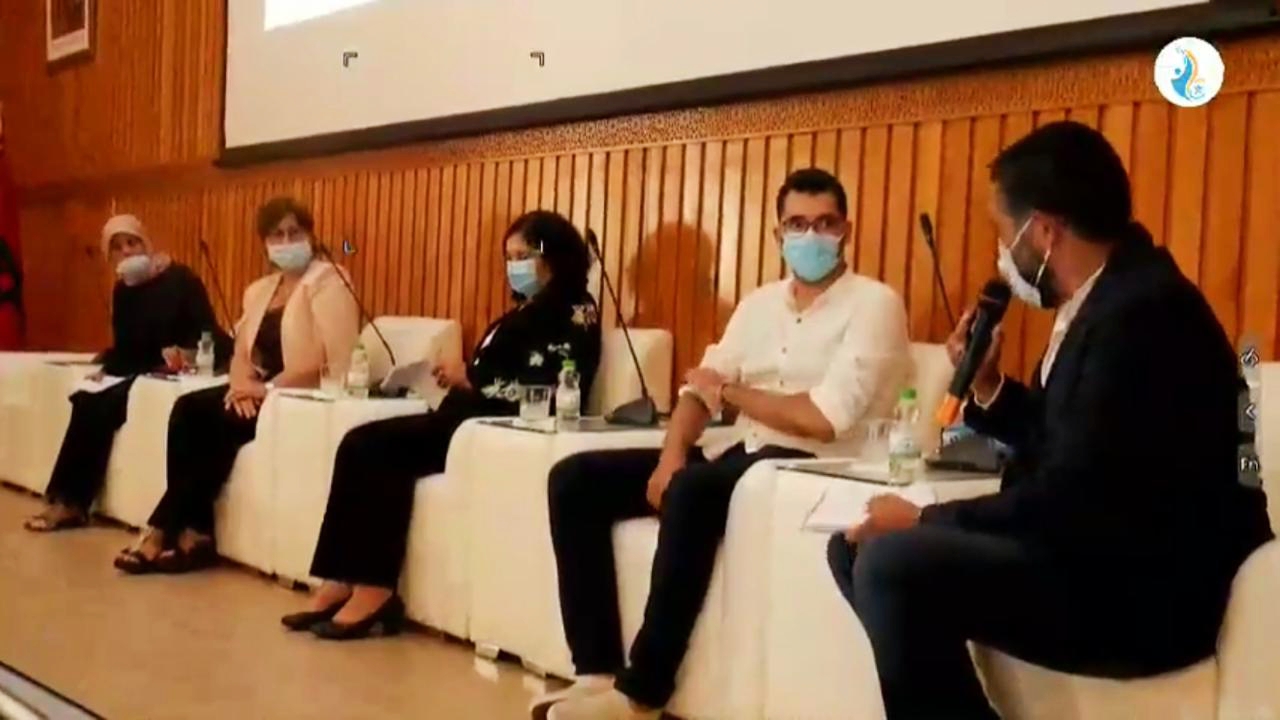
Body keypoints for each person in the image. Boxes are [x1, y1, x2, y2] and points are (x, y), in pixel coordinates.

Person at [826, 121, 1275, 720]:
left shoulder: (1144, 313)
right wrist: (989, 385)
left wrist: (923, 518)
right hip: (1088, 552)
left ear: (1042, 231)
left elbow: (1072, 496)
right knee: (853, 548)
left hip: (1146, 592)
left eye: (1003, 233)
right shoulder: (1103, 298)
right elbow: (1069, 439)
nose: (1002, 254)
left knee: (893, 562)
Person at [534, 168, 911, 720]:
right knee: (575, 480)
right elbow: (699, 387)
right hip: (742, 449)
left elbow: (823, 418)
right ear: (777, 234)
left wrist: (730, 392)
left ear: (846, 231)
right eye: (797, 224)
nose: (811, 236)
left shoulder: (875, 304)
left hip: (814, 467)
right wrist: (669, 457)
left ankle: (642, 694)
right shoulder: (759, 304)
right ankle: (596, 671)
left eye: (825, 223)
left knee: (693, 490)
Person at [281, 210, 602, 640]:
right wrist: (463, 374)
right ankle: (340, 576)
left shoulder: (576, 309)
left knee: (378, 450)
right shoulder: (528, 307)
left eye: (524, 255)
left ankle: (376, 589)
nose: (515, 266)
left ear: (553, 254)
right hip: (464, 412)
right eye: (509, 258)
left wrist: (472, 379)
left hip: (493, 425)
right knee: (358, 441)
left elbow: (556, 381)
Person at [114, 197, 361, 574]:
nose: (286, 241)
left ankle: (161, 530)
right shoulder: (261, 289)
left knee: (218, 427)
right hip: (257, 391)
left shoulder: (330, 280)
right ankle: (195, 532)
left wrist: (266, 390)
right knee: (189, 409)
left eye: (294, 232)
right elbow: (240, 349)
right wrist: (240, 383)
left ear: (310, 235)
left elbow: (329, 357)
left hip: (297, 395)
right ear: (265, 243)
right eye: (276, 235)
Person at [24, 214, 231, 532]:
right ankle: (67, 500)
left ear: (145, 243)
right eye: (117, 247)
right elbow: (127, 346)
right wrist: (105, 368)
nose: (127, 251)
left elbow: (209, 332)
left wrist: (186, 353)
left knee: (102, 405)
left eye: (132, 243)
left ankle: (72, 502)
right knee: (86, 400)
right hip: (142, 369)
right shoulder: (123, 290)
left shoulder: (181, 279)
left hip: (184, 368)